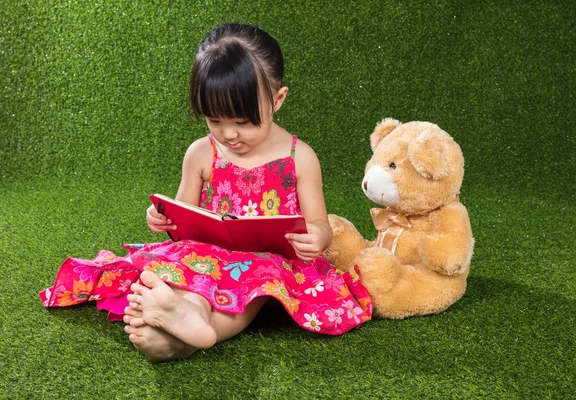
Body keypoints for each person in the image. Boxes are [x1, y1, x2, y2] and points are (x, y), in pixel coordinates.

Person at [39, 23, 372, 360]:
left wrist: (316, 238)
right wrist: (162, 219)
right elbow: (182, 216)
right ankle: (182, 324)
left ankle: (187, 330)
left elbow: (320, 225)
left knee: (252, 283)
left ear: (277, 100)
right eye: (215, 120)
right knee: (191, 271)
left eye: (243, 122)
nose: (228, 134)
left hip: (266, 261)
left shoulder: (300, 158)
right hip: (205, 253)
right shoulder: (201, 153)